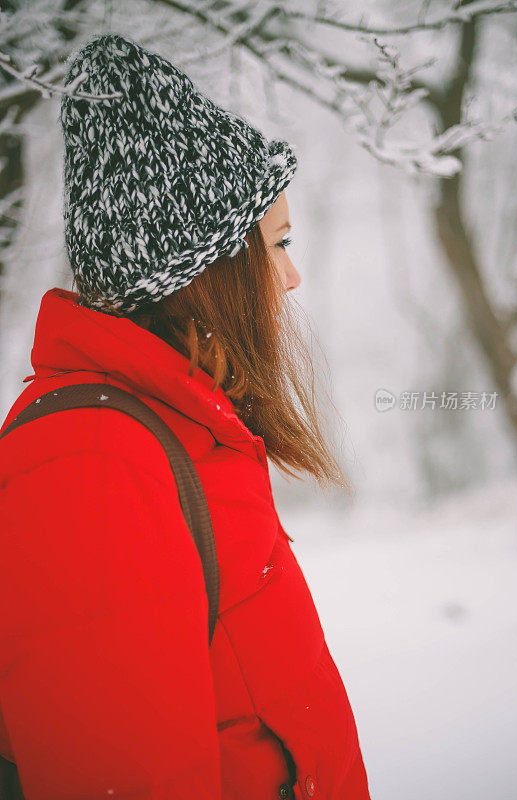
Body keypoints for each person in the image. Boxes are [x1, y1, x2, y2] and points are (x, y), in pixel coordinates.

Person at [0, 33, 371, 800]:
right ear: (205, 272)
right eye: (276, 245)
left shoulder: (185, 432)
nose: (291, 277)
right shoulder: (91, 463)